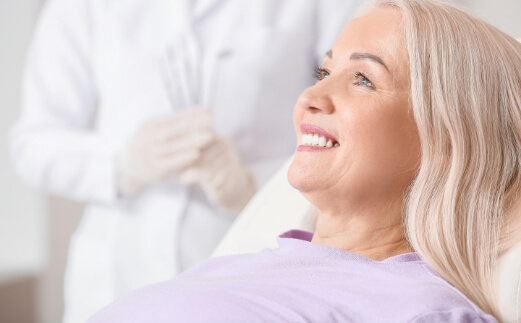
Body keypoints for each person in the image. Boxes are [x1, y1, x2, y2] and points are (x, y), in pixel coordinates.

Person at [86, 0, 521, 321]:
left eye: (364, 79)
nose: (310, 98)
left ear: (447, 140)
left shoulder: (422, 312)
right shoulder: (237, 265)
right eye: (324, 73)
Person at [9, 0, 362, 322]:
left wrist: (254, 184)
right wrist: (121, 165)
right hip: (114, 276)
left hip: (246, 264)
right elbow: (32, 143)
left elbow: (354, 125)